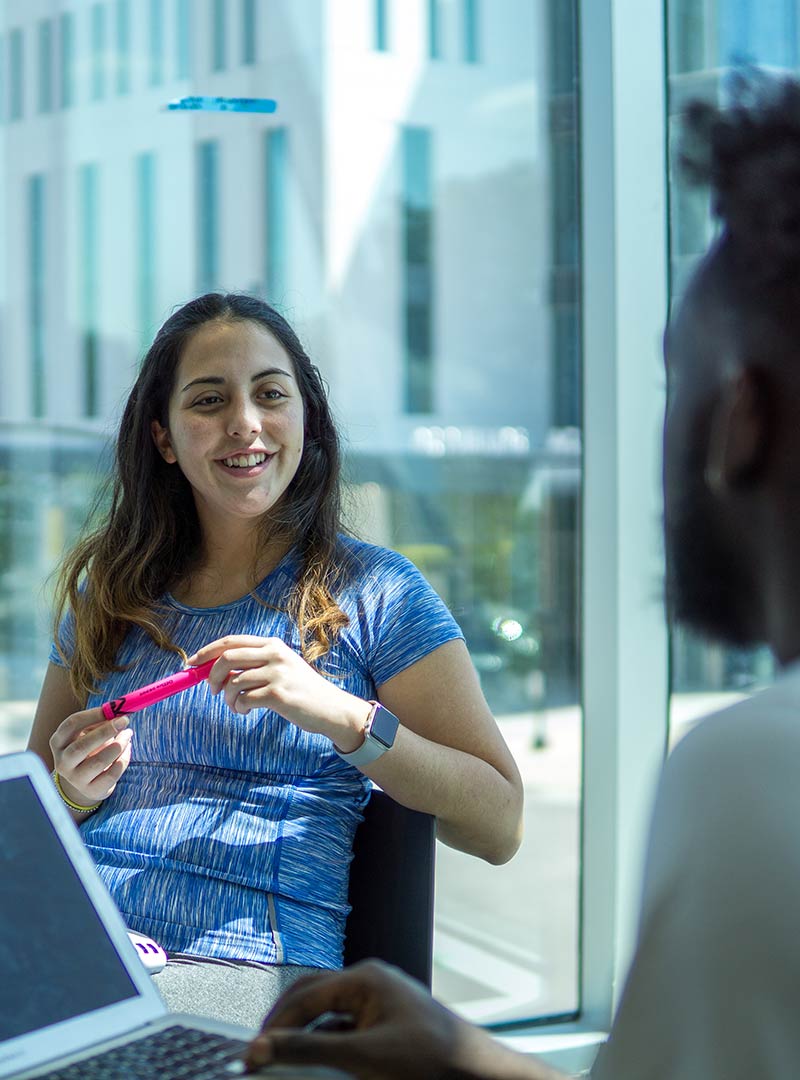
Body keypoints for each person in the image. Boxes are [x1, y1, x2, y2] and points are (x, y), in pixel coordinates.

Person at [236, 72, 800, 1079]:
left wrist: (342, 716)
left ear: (739, 422)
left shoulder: (755, 770)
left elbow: (492, 818)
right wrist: (469, 1058)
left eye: (672, 376)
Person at [26, 292, 524, 1029]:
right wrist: (69, 793)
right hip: (83, 955)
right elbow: (31, 829)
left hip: (250, 974)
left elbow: (499, 824)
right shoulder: (113, 593)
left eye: (270, 394)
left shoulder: (377, 591)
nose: (245, 423)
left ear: (304, 421)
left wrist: (342, 716)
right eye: (209, 400)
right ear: (163, 438)